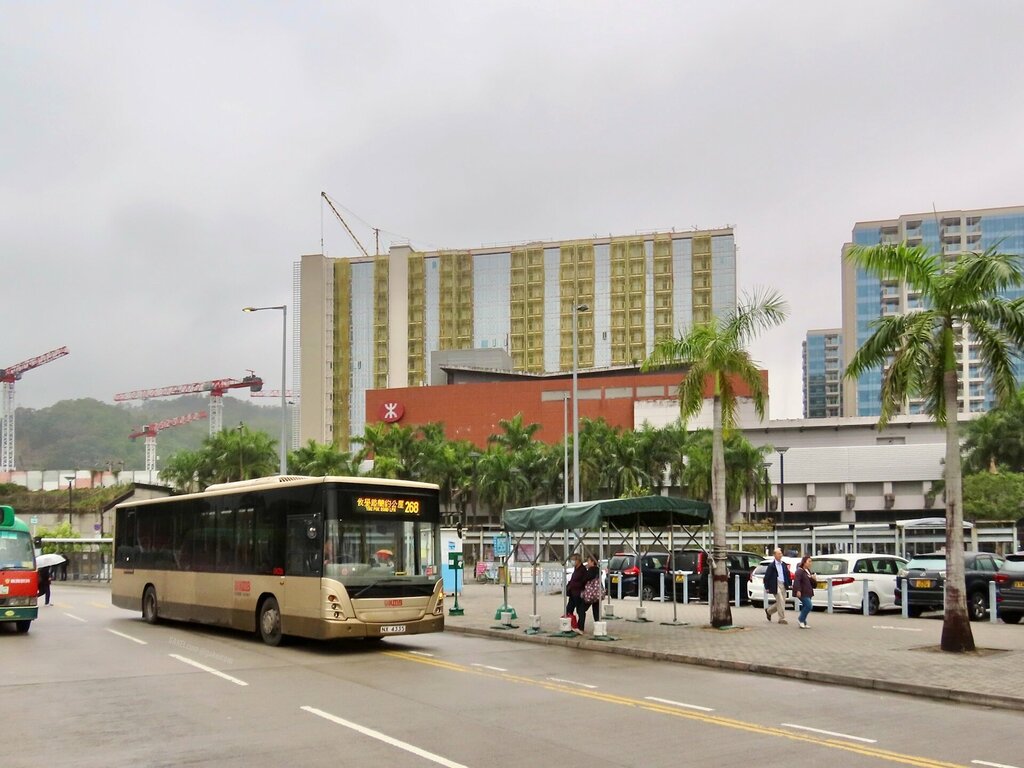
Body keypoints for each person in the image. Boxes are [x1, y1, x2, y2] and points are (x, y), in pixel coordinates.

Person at [763, 548, 792, 624]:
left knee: (781, 602)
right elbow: (767, 577)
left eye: (781, 553)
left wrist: (789, 584)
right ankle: (782, 618)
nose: (780, 555)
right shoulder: (771, 566)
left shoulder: (784, 564)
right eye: (778, 554)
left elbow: (787, 575)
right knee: (780, 600)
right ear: (774, 555)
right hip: (775, 584)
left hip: (783, 584)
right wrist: (767, 587)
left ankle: (769, 611)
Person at [576, 555, 601, 633]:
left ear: (593, 562)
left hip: (590, 594)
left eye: (589, 561)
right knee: (596, 611)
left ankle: (580, 627)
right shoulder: (598, 570)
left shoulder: (591, 570)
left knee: (581, 609)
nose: (587, 562)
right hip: (597, 593)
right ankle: (599, 628)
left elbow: (585, 579)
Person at [565, 553, 587, 634]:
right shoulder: (576, 569)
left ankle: (581, 627)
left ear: (578, 560)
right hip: (572, 593)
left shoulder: (582, 570)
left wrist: (576, 585)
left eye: (574, 560)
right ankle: (569, 625)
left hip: (579, 593)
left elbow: (583, 582)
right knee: (569, 609)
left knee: (580, 611)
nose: (572, 561)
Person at [794, 555, 815, 628]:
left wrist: (813, 579)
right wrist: (798, 590)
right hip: (803, 592)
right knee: (809, 606)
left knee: (805, 606)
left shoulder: (808, 571)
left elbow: (813, 584)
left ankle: (803, 622)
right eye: (809, 561)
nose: (810, 563)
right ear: (804, 562)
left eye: (811, 562)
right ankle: (800, 619)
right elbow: (797, 581)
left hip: (808, 591)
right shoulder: (799, 571)